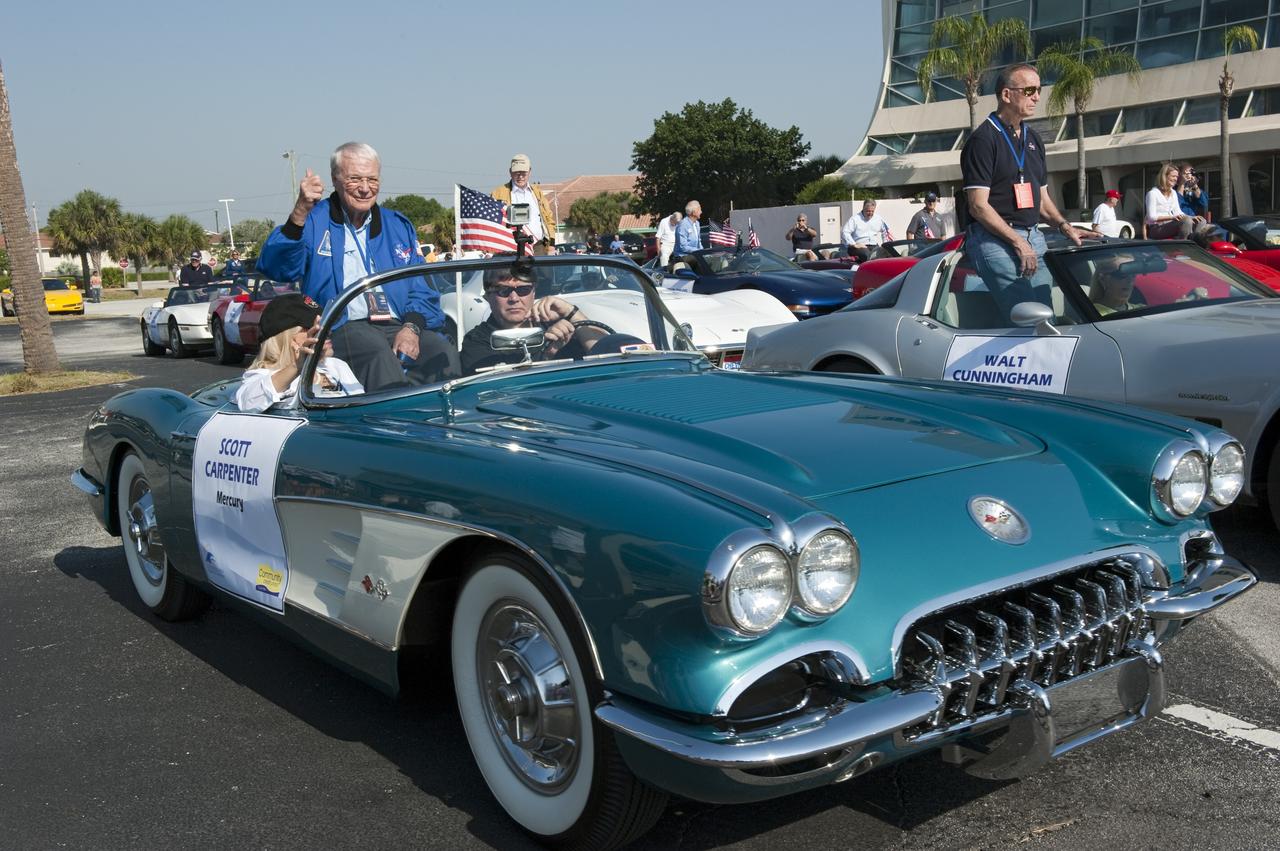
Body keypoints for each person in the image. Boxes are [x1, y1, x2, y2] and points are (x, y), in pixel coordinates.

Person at [258, 141, 458, 392]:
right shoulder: (313, 221)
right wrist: (299, 212)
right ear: (335, 179)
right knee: (374, 349)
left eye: (372, 180)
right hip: (339, 327)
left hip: (395, 323)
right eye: (355, 179)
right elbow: (276, 268)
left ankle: (447, 423)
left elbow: (422, 289)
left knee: (442, 349)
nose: (365, 189)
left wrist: (411, 327)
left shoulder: (397, 225)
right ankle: (390, 426)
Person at [959, 63, 1084, 317]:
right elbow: (978, 205)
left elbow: (1042, 199)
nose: (1037, 96)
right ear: (1006, 95)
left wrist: (1064, 226)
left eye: (1039, 89)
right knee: (1028, 316)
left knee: (1044, 314)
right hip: (994, 239)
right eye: (1029, 90)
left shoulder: (1034, 139)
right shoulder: (983, 140)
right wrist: (1017, 242)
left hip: (1034, 236)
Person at [460, 266, 609, 374]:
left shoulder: (558, 326)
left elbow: (607, 355)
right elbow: (502, 392)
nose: (514, 298)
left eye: (523, 290)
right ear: (488, 296)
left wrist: (571, 312)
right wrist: (548, 354)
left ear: (533, 292)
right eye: (503, 291)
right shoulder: (476, 342)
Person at [235, 293, 363, 413]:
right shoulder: (262, 375)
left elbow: (362, 408)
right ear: (286, 336)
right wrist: (296, 366)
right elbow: (247, 403)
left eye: (325, 326)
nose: (326, 332)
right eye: (313, 328)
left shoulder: (336, 365)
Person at [491, 154, 556, 255]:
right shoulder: (498, 193)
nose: (520, 176)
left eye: (523, 173)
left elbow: (549, 220)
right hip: (510, 248)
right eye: (517, 172)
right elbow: (493, 222)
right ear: (510, 172)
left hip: (538, 247)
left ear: (530, 171)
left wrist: (551, 245)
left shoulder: (537, 193)